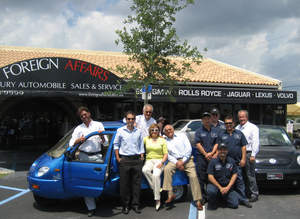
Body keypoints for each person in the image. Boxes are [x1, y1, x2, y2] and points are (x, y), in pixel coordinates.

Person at [69, 106, 106, 217]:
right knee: (86, 182)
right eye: (81, 116)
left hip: (97, 157)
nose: (84, 117)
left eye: (85, 114)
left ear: (89, 113)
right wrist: (78, 140)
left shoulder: (98, 125)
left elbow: (105, 143)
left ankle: (97, 197)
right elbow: (71, 143)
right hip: (84, 157)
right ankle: (91, 208)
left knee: (98, 180)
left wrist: (102, 136)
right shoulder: (78, 128)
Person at [162, 124, 203, 211]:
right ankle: (170, 195)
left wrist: (182, 161)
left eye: (170, 129)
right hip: (174, 161)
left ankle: (198, 200)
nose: (169, 131)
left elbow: (188, 150)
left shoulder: (182, 136)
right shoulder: (165, 141)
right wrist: (177, 162)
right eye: (166, 130)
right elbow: (168, 155)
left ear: (173, 129)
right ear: (164, 132)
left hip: (187, 159)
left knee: (193, 176)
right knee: (167, 169)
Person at [114, 111, 145, 214]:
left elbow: (141, 145)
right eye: (129, 119)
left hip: (136, 160)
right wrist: (118, 158)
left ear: (134, 120)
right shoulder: (120, 130)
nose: (131, 121)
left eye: (132, 119)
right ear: (125, 120)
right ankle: (125, 206)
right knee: (124, 185)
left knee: (136, 185)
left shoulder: (139, 131)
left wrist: (141, 156)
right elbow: (116, 145)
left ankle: (135, 205)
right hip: (125, 160)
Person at [218, 115, 252, 208]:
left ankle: (243, 199)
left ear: (233, 123)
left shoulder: (239, 133)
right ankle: (224, 199)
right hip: (225, 164)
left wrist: (244, 159)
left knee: (240, 182)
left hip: (237, 163)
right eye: (226, 123)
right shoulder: (221, 134)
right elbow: (218, 149)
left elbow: (243, 147)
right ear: (224, 124)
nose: (228, 125)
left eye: (230, 123)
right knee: (225, 181)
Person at [142, 123, 168, 211]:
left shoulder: (162, 140)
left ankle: (157, 200)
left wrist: (162, 162)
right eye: (152, 130)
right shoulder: (146, 139)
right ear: (150, 131)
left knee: (156, 175)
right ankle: (155, 187)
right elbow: (140, 147)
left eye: (156, 130)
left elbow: (165, 154)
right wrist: (141, 155)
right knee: (145, 170)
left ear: (158, 131)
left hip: (159, 160)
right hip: (149, 160)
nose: (154, 131)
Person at [194, 112, 219, 204]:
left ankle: (211, 196)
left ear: (210, 119)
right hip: (202, 158)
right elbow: (198, 144)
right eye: (204, 118)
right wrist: (205, 154)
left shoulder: (215, 130)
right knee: (201, 178)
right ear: (202, 120)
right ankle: (202, 197)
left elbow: (217, 143)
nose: (207, 120)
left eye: (208, 118)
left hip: (212, 157)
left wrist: (212, 153)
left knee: (212, 177)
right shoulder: (199, 131)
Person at [206, 142, 239, 210]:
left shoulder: (231, 161)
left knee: (234, 204)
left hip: (227, 186)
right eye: (220, 150)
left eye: (224, 150)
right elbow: (210, 176)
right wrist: (220, 188)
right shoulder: (213, 161)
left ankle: (223, 197)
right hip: (216, 186)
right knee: (211, 191)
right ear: (217, 151)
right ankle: (215, 200)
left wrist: (228, 187)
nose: (222, 151)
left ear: (227, 151)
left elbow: (234, 174)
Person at [236, 110, 259, 202]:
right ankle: (244, 193)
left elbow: (256, 142)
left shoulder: (253, 127)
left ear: (247, 117)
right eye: (240, 117)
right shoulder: (237, 128)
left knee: (250, 175)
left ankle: (254, 194)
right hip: (239, 154)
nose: (241, 118)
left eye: (243, 117)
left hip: (249, 154)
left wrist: (253, 155)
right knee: (240, 175)